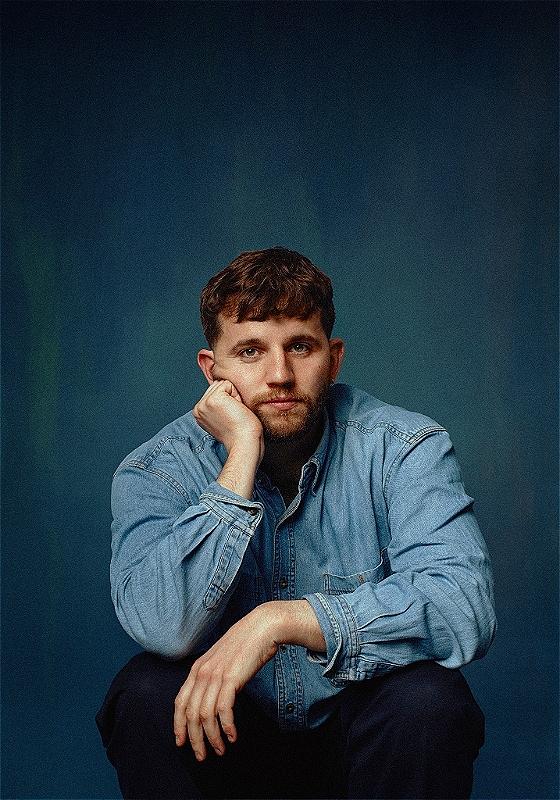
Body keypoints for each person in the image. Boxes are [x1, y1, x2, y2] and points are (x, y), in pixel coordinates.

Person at [96, 247, 496, 800]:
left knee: (428, 699)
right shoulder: (156, 470)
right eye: (251, 351)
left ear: (333, 359)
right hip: (228, 747)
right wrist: (242, 455)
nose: (280, 374)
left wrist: (278, 620)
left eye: (300, 347)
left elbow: (463, 607)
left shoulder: (404, 447)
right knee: (145, 693)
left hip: (363, 748)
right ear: (213, 372)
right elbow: (162, 626)